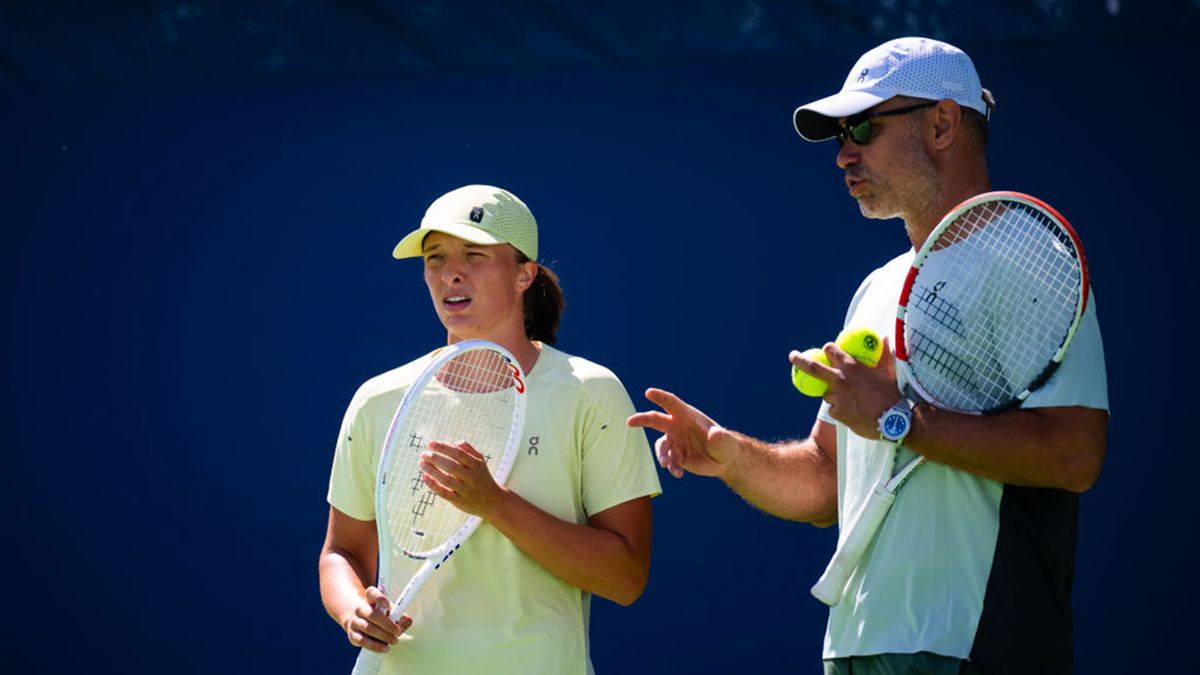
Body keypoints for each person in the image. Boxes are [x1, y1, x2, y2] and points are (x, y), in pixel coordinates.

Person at [628, 37, 1108, 674]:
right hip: (857, 646)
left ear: (941, 123)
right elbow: (829, 479)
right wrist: (732, 455)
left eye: (862, 126)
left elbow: (1075, 454)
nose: (844, 154)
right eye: (837, 136)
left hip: (973, 644)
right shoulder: (879, 287)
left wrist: (898, 417)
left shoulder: (1026, 258)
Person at [320, 184, 661, 674]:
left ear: (525, 274)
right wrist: (353, 609)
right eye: (435, 257)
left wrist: (495, 504)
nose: (450, 272)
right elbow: (342, 552)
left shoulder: (592, 393)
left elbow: (625, 579)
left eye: (474, 255)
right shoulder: (379, 399)